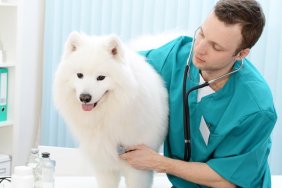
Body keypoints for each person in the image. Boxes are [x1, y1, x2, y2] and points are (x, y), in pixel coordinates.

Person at [120, 0, 277, 187]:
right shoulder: (177, 56)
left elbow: (227, 180)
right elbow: (124, 67)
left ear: (241, 54)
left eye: (216, 47)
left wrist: (158, 162)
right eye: (201, 34)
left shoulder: (256, 108)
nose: (200, 48)